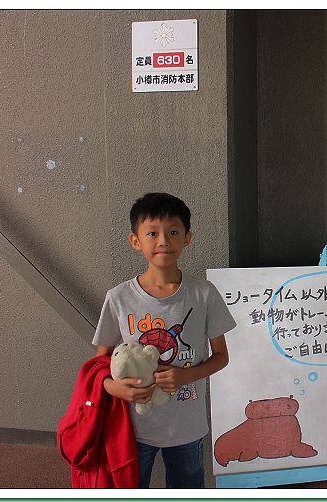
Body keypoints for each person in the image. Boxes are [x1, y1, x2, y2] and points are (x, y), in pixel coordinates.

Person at [92, 192, 237, 488]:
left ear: (187, 238)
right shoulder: (118, 298)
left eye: (173, 232)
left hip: (186, 427)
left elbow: (221, 355)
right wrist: (114, 387)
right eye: (152, 233)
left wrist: (187, 376)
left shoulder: (204, 294)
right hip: (131, 426)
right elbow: (98, 365)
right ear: (136, 241)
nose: (163, 241)